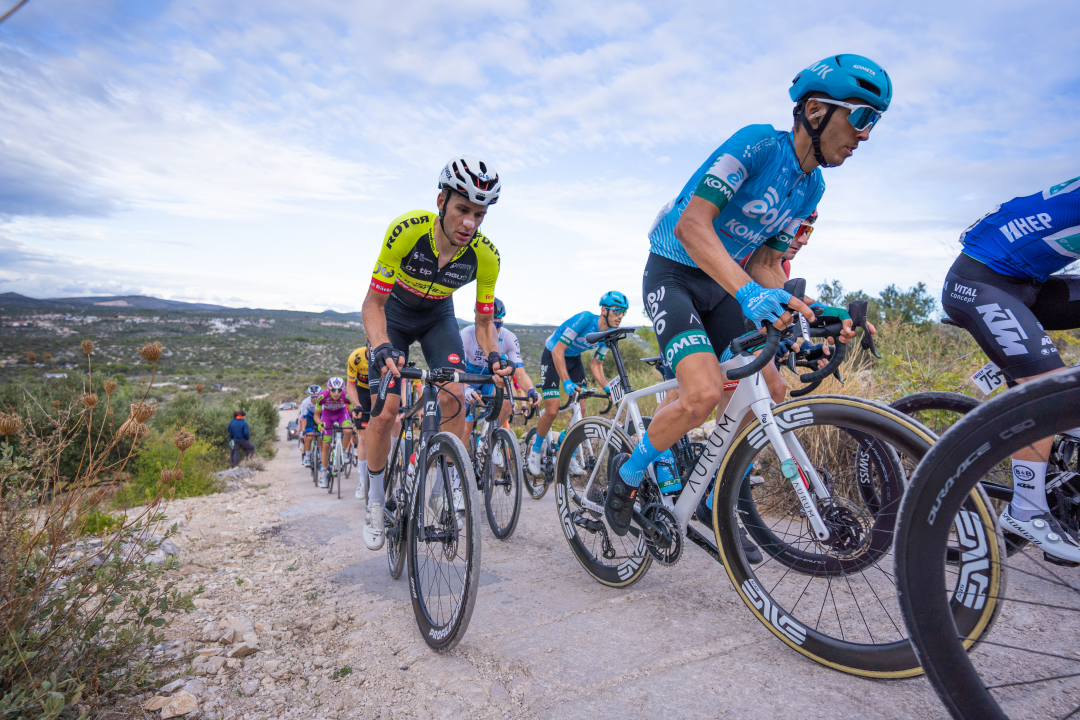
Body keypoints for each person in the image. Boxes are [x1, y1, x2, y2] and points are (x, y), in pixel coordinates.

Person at [605, 55, 890, 537]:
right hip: (675, 273)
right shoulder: (757, 143)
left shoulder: (811, 188)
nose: (865, 134)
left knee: (768, 391)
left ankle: (715, 494)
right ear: (817, 110)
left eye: (874, 122)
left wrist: (811, 310)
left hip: (726, 285)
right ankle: (628, 474)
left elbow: (764, 266)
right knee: (702, 395)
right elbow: (691, 225)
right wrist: (750, 294)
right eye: (861, 117)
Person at [360, 155, 514, 551]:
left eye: (479, 215)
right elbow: (373, 304)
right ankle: (375, 502)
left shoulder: (486, 257)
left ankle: (439, 482)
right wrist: (379, 346)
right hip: (393, 315)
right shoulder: (407, 231)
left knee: (456, 395)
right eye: (463, 210)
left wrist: (494, 356)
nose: (470, 224)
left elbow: (483, 325)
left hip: (436, 320)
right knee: (387, 411)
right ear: (442, 200)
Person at [940, 174, 1080, 565]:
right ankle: (1026, 510)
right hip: (980, 281)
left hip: (1027, 282)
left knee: (1063, 398)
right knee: (1052, 395)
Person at [526, 292, 628, 476]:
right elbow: (558, 350)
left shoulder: (607, 335)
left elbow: (596, 364)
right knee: (552, 409)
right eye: (617, 310)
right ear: (604, 310)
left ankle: (567, 447)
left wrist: (608, 387)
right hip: (552, 355)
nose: (620, 316)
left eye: (624, 312)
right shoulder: (584, 319)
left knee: (581, 408)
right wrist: (565, 381)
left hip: (573, 359)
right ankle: (536, 450)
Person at [461, 297, 539, 438]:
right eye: (485, 324)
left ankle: (489, 438)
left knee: (507, 401)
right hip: (466, 379)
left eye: (496, 324)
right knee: (465, 430)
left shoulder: (508, 337)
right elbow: (457, 371)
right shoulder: (466, 335)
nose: (491, 330)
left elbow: (520, 373)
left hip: (489, 381)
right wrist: (466, 388)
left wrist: (531, 390)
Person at [312, 377, 354, 488]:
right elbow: (316, 415)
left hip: (341, 413)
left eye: (339, 390)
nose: (336, 393)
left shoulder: (346, 395)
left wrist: (354, 421)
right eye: (333, 390)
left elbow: (351, 412)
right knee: (325, 445)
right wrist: (320, 424)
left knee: (348, 430)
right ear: (328, 389)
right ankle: (324, 474)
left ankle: (343, 451)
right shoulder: (321, 396)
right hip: (327, 416)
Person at [345, 343, 371, 500]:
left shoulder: (386, 355)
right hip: (362, 392)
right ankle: (362, 480)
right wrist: (357, 405)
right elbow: (350, 384)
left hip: (379, 390)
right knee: (362, 438)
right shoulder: (356, 357)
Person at [298, 384, 321, 467]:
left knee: (320, 437)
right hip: (310, 418)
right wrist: (302, 431)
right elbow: (303, 419)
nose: (315, 398)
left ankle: (321, 459)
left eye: (316, 396)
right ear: (310, 396)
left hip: (320, 417)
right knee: (309, 436)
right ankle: (307, 458)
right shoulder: (305, 402)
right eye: (313, 396)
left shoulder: (323, 401)